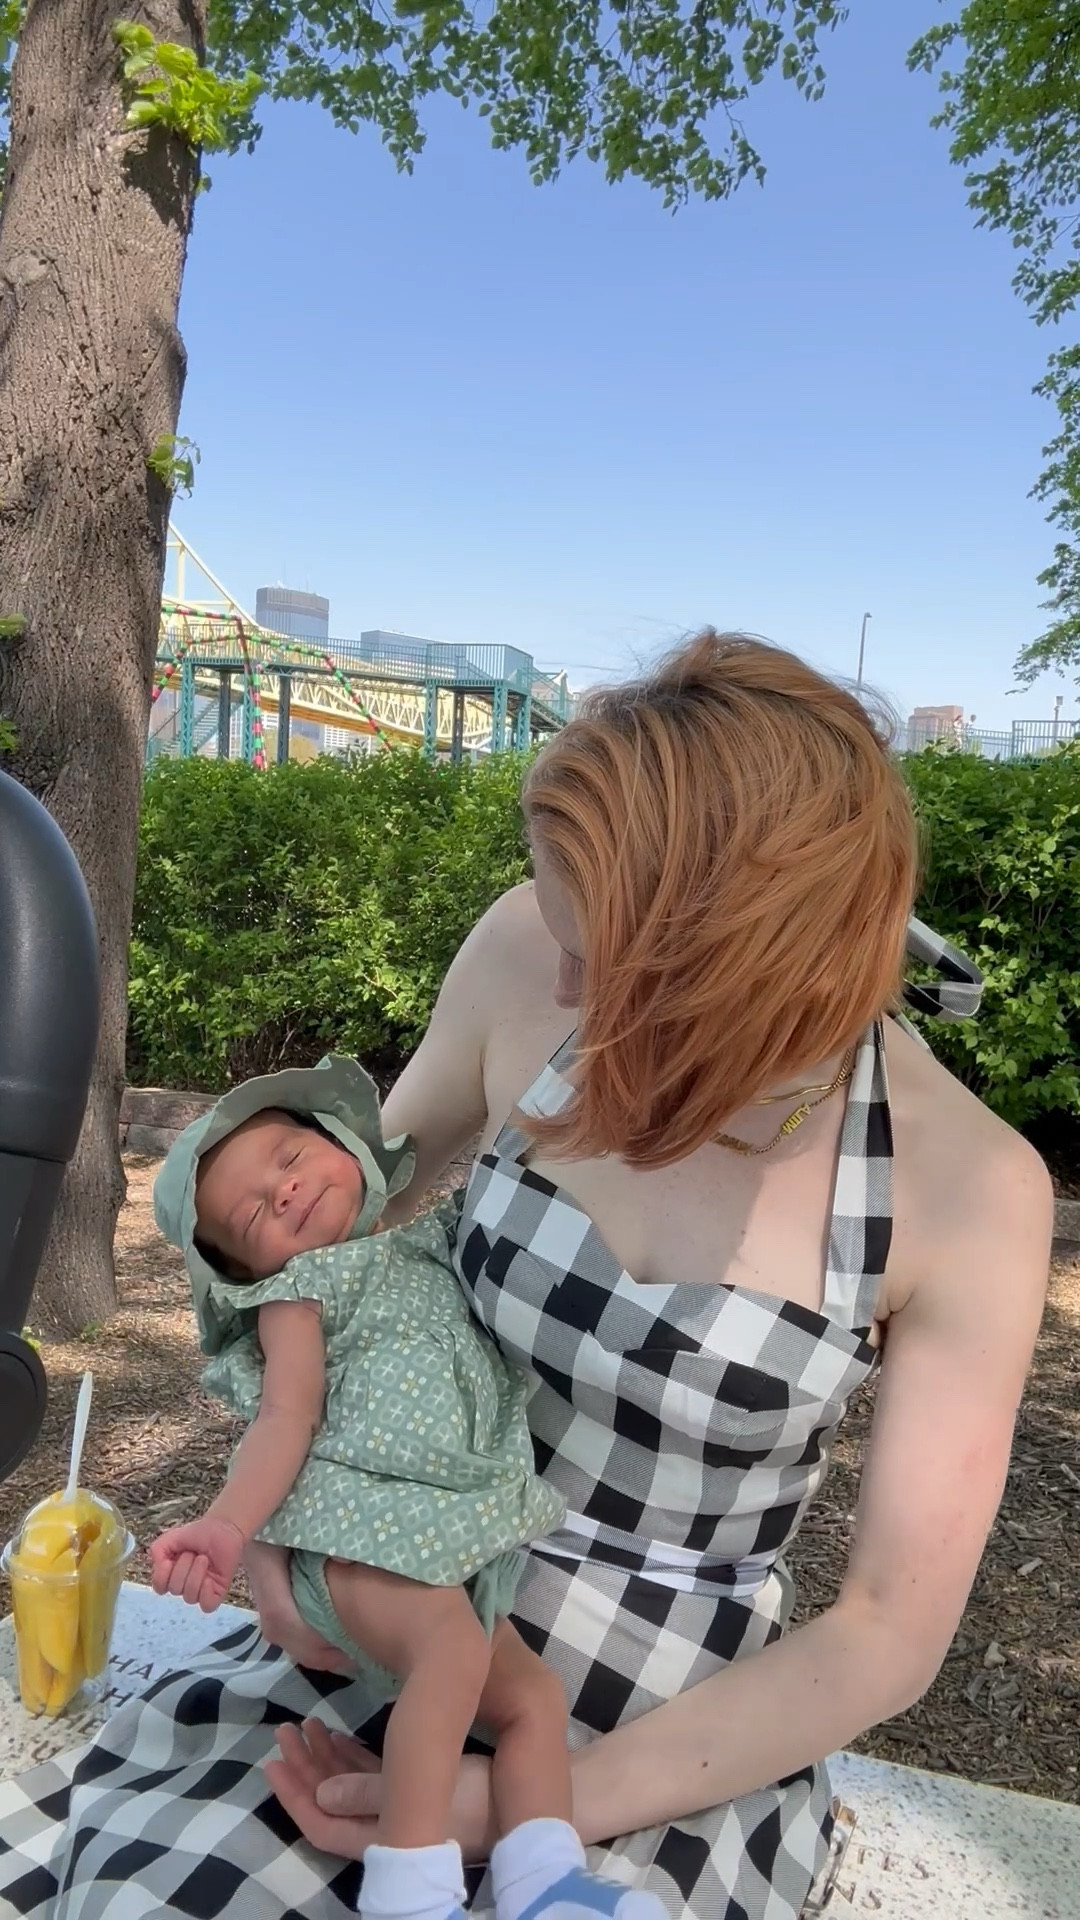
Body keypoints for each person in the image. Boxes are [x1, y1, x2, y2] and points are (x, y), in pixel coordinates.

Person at [252, 633, 1052, 1920]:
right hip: (390, 1603)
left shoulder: (968, 1192)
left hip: (667, 1746)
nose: (563, 985)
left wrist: (521, 1800)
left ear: (750, 970)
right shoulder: (529, 947)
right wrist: (281, 1516)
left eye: (608, 961)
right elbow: (331, 1241)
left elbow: (887, 1633)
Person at [148, 1059, 662, 1920]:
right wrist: (230, 1526)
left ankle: (548, 1887)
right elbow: (285, 1417)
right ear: (244, 1270)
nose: (283, 1193)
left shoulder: (431, 1245)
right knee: (452, 1655)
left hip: (447, 1534)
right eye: (251, 1214)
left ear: (338, 1139)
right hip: (358, 1527)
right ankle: (410, 1889)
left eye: (287, 1156)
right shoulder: (298, 1292)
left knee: (534, 1702)